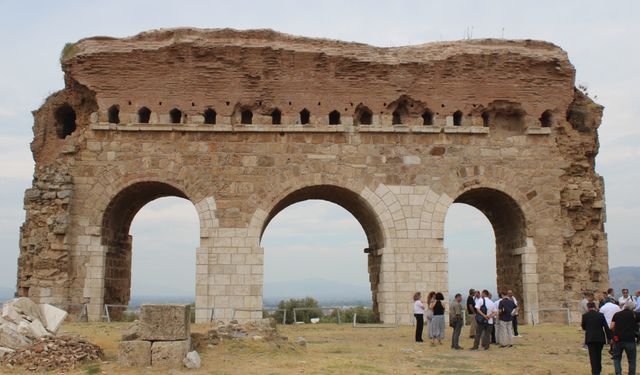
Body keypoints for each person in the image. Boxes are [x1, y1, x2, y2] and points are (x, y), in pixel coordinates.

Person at [582, 302, 612, 375]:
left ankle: (594, 372)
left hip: (590, 338)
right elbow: (606, 327)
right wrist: (609, 338)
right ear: (595, 307)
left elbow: (583, 327)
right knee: (598, 354)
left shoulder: (585, 316)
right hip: (600, 338)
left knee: (593, 356)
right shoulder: (601, 315)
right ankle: (598, 369)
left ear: (588, 307)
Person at [610, 300, 638, 375]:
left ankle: (618, 373)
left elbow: (611, 326)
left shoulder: (617, 314)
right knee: (632, 360)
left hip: (618, 339)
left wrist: (616, 331)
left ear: (624, 306)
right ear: (633, 308)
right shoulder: (635, 315)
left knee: (617, 359)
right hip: (630, 340)